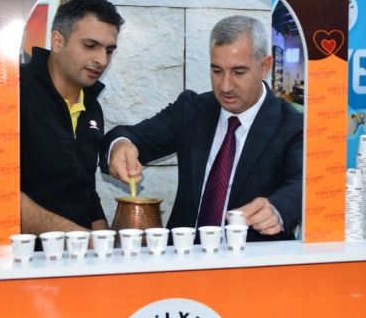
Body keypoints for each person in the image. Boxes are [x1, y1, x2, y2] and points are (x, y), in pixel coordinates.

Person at [100, 15, 302, 242]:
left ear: (264, 66)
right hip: (182, 256)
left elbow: (302, 184)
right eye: (217, 71)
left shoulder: (292, 125)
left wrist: (278, 209)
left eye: (238, 72)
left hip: (254, 260)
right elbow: (127, 136)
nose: (225, 85)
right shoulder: (192, 110)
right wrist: (120, 146)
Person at [20, 0, 123, 234]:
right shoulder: (12, 91)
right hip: (16, 255)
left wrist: (104, 243)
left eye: (109, 50)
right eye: (90, 46)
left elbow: (85, 191)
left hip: (76, 252)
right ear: (58, 41)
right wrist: (82, 239)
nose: (102, 60)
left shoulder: (92, 107)